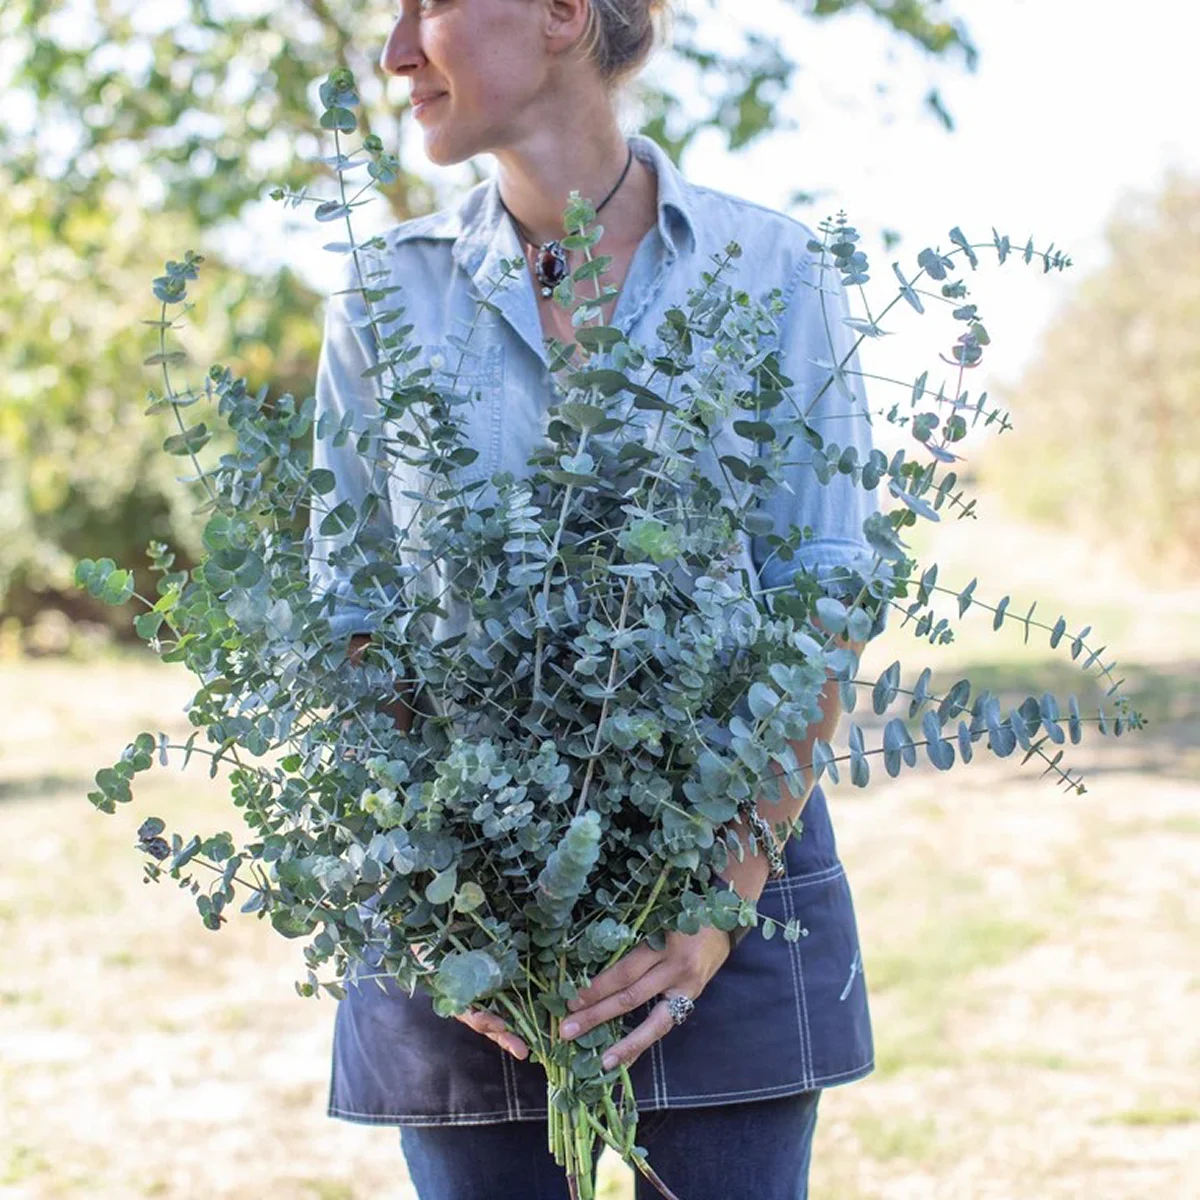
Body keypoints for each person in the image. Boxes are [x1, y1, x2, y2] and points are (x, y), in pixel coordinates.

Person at [308, 2, 887, 1197]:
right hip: (469, 915)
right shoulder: (382, 298)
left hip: (727, 874)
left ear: (566, 12)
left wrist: (718, 895)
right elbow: (350, 615)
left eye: (432, 6)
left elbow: (823, 599)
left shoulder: (772, 269)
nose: (397, 49)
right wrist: (437, 884)